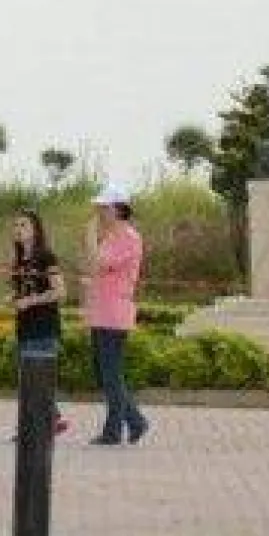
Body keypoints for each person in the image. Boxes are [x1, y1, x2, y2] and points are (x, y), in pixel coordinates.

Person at [81, 184, 149, 446]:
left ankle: (114, 429)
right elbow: (92, 267)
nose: (100, 212)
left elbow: (98, 263)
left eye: (104, 208)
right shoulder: (111, 236)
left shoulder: (128, 237)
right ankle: (134, 420)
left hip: (114, 313)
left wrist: (89, 238)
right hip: (101, 312)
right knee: (105, 372)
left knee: (110, 373)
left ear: (120, 209)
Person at [9, 209, 69, 437]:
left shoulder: (46, 256)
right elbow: (23, 290)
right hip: (24, 326)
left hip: (43, 326)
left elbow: (60, 291)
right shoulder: (18, 260)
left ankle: (42, 424)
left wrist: (31, 301)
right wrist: (14, 299)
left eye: (23, 225)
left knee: (38, 381)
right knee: (26, 380)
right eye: (15, 225)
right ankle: (42, 422)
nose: (18, 229)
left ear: (36, 229)